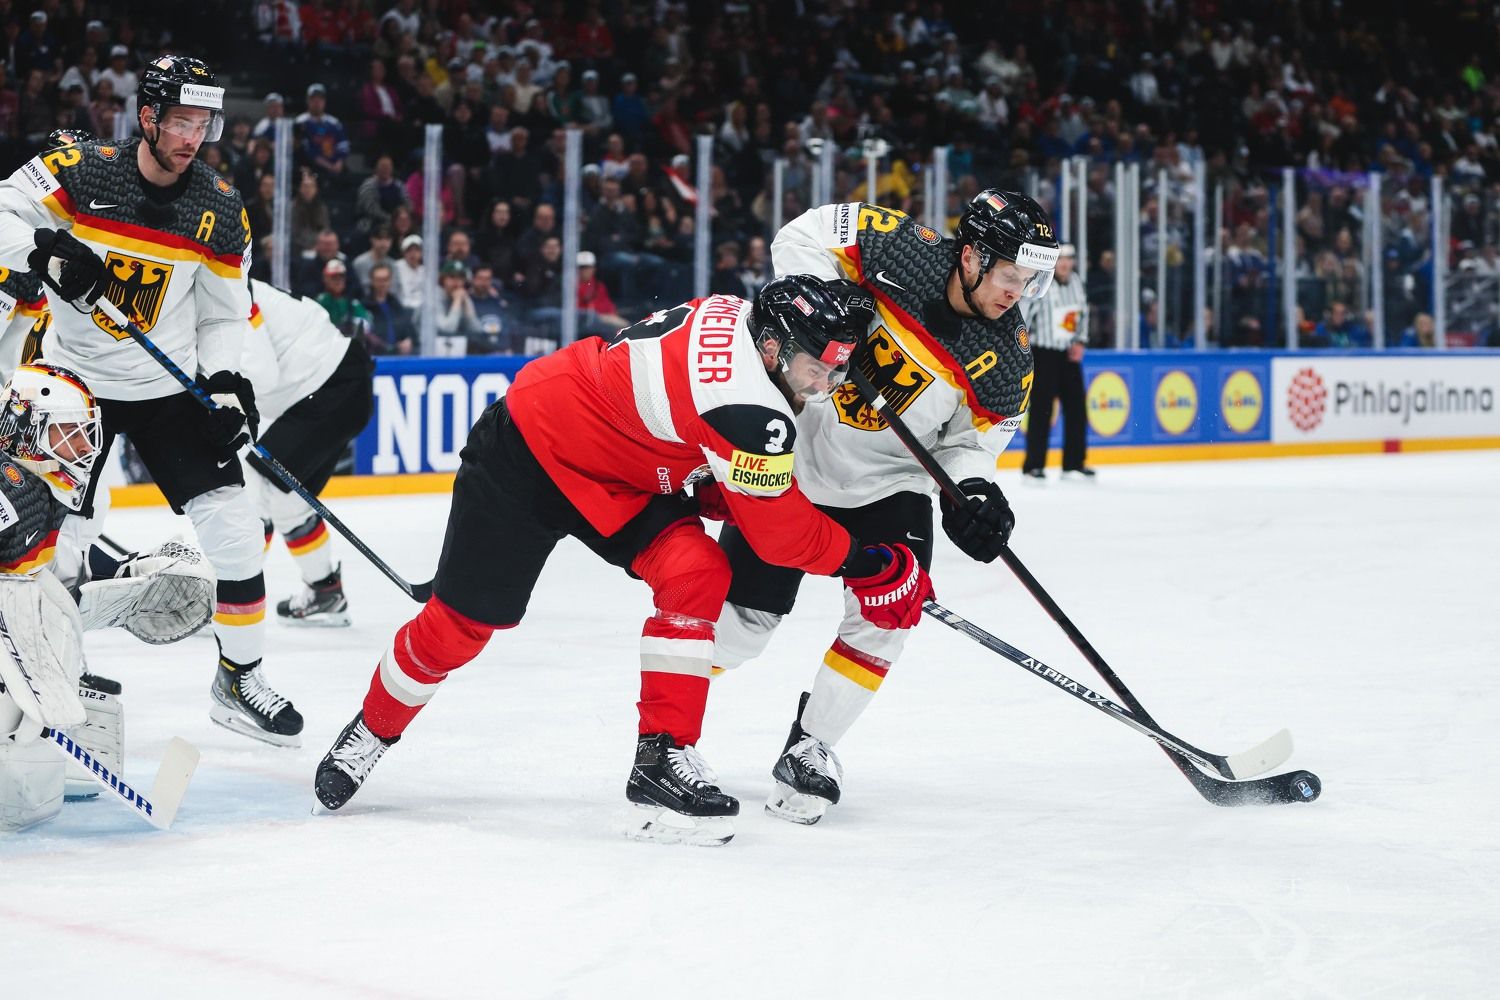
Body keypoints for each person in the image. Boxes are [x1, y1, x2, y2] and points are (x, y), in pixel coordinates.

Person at [313, 275, 934, 846]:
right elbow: (781, 538)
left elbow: (680, 420)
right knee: (459, 628)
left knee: (697, 572)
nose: (823, 386)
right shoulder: (749, 406)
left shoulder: (740, 313)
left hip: (624, 476)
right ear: (773, 348)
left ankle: (662, 757)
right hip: (532, 450)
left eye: (836, 369)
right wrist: (872, 564)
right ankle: (371, 730)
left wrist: (718, 483)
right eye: (815, 369)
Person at [712, 190, 1058, 824]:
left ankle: (811, 747)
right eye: (1011, 273)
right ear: (972, 256)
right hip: (793, 462)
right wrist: (827, 301)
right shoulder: (897, 247)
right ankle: (668, 722)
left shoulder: (1008, 361)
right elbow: (799, 236)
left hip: (889, 486)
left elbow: (970, 446)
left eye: (1030, 279)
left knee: (889, 612)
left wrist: (975, 492)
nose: (1019, 291)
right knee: (741, 627)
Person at [0, 55, 304, 747]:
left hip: (167, 388)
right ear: (148, 117)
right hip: (74, 385)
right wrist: (45, 250)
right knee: (61, 542)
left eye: (204, 123)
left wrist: (224, 381)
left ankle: (239, 680)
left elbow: (224, 313)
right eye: (182, 122)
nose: (194, 137)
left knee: (236, 531)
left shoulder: (220, 210)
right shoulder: (83, 171)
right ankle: (57, 671)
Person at [0, 362, 215, 831]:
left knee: (47, 610)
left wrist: (125, 576)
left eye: (85, 433)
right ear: (25, 428)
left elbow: (54, 574)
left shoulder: (36, 485)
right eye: (69, 433)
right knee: (38, 624)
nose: (85, 447)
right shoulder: (10, 492)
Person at [242, 278, 374, 627]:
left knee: (253, 487)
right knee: (287, 502)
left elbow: (261, 375)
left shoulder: (231, 293)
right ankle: (325, 590)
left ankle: (230, 595)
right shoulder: (229, 282)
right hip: (337, 384)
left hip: (328, 389)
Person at [1021, 243, 1092, 480]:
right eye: (1061, 258)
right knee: (1042, 410)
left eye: (1069, 258)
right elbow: (1026, 316)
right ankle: (1033, 466)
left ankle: (1073, 464)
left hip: (1069, 354)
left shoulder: (1077, 283)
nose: (1065, 263)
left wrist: (1081, 341)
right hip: (1044, 353)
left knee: (1077, 409)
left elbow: (1084, 314)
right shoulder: (1041, 282)